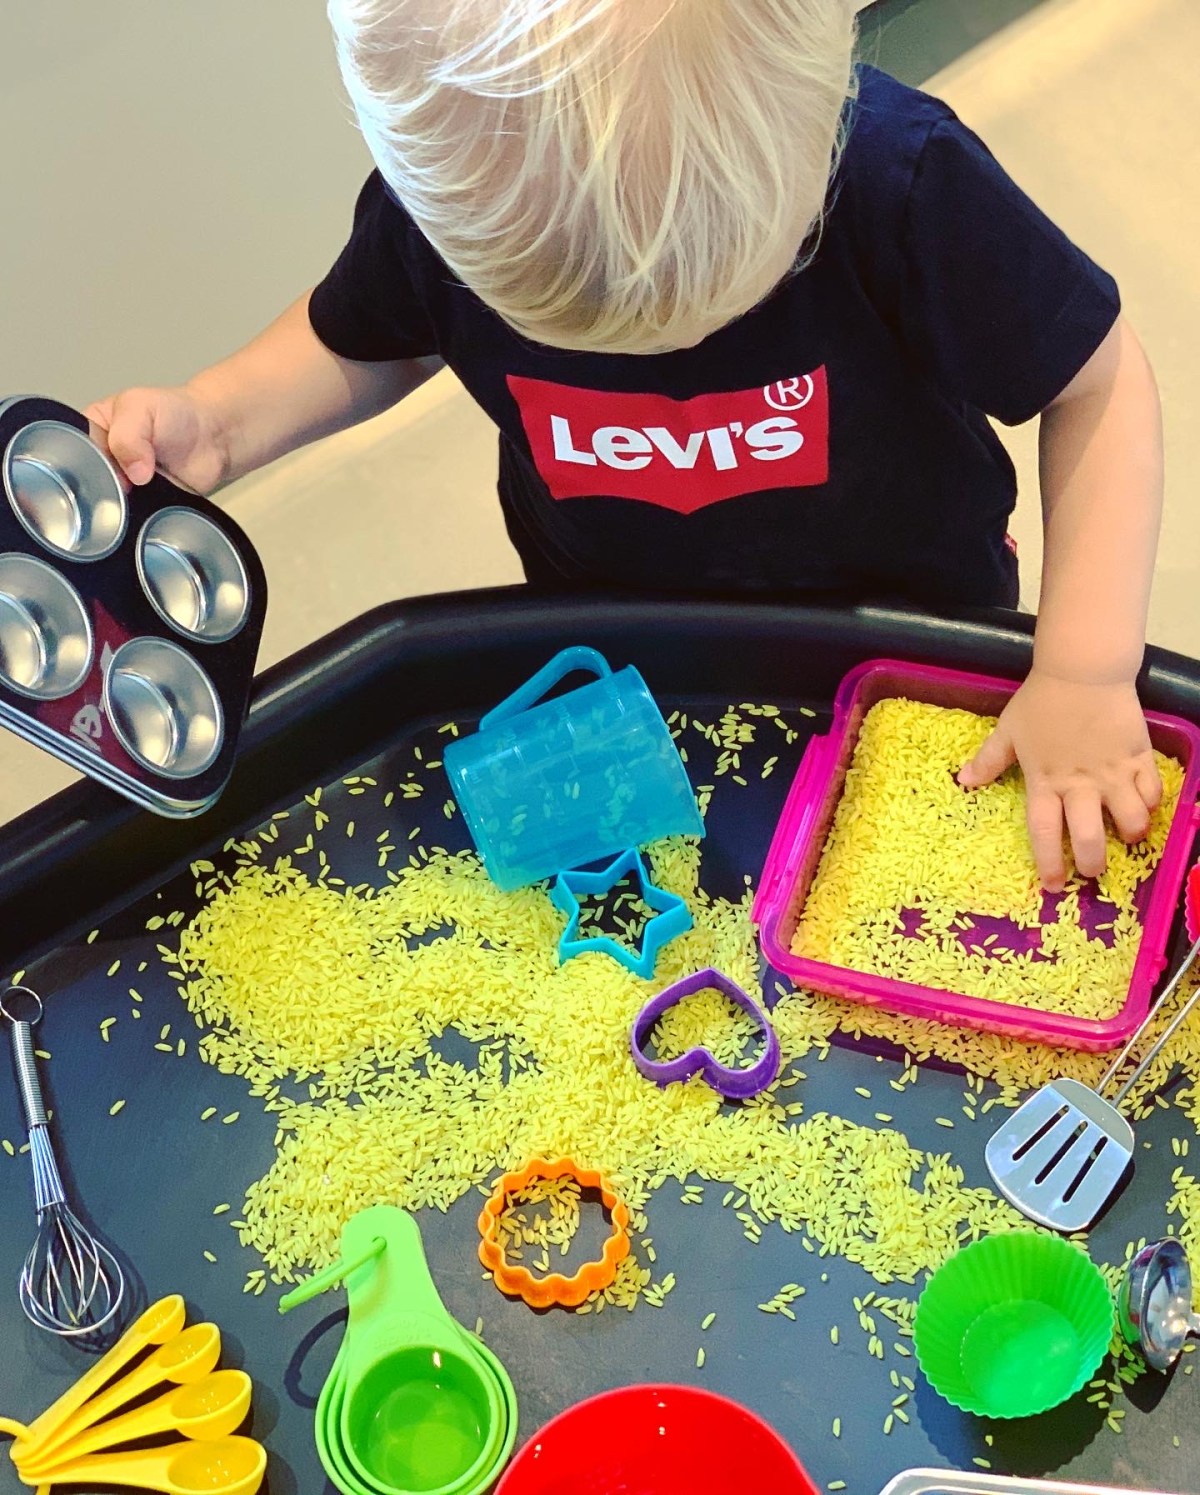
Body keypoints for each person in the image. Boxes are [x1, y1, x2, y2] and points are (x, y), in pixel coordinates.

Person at [87, 0, 1164, 892]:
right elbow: (369, 342)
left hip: (912, 623)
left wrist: (1083, 663)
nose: (640, 354)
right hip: (614, 630)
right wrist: (218, 420)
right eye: (562, 320)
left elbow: (1101, 384)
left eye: (692, 310)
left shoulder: (900, 179)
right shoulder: (457, 203)